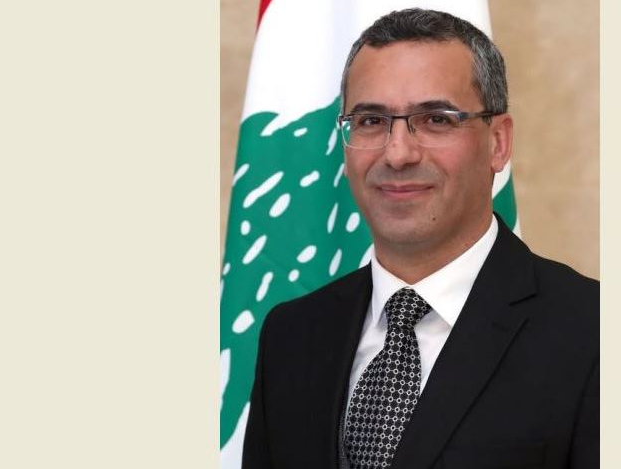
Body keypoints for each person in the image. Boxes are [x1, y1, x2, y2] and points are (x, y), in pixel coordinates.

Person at [242, 8, 598, 469]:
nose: (398, 153)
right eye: (371, 121)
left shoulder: (593, 334)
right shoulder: (291, 336)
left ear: (498, 142)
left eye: (435, 120)